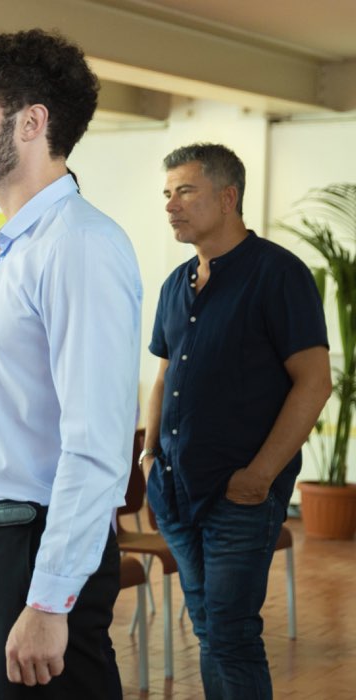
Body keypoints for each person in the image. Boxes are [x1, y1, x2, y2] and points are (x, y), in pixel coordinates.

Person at [0, 29, 142, 698]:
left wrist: (50, 600)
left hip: (36, 550)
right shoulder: (14, 252)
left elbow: (97, 443)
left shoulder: (78, 245)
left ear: (32, 122)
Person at [143, 143, 330, 699]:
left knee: (230, 633)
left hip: (240, 494)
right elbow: (163, 376)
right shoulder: (177, 283)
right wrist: (150, 455)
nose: (171, 205)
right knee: (209, 630)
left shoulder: (278, 274)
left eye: (185, 191)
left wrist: (260, 475)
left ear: (228, 198)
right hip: (177, 488)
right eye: (167, 194)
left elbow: (315, 382)